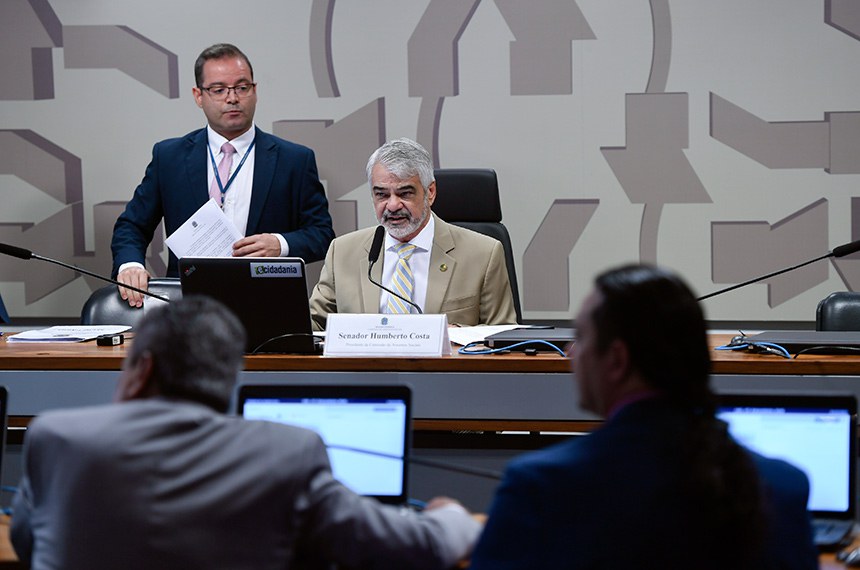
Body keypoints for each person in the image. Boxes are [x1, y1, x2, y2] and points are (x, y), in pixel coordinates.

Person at [10, 296, 481, 569]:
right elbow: (404, 548)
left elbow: (27, 541)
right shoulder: (285, 452)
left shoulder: (56, 438)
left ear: (142, 369)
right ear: (228, 378)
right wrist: (452, 517)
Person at [470, 265, 818, 569]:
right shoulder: (783, 486)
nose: (571, 354)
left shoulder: (540, 488)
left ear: (617, 359)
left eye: (580, 338)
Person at [111, 43, 334, 307]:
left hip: (268, 301)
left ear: (255, 91)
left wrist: (280, 244)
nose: (232, 98)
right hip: (189, 304)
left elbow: (322, 234)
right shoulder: (169, 157)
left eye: (242, 87)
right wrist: (130, 264)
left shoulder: (294, 160)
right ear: (198, 95)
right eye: (219, 90)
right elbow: (131, 226)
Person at [308, 138, 516, 329]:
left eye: (404, 193)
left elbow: (501, 336)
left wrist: (456, 337)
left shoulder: (483, 254)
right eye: (381, 194)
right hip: (363, 370)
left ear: (430, 192)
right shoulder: (342, 252)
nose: (392, 205)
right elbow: (312, 326)